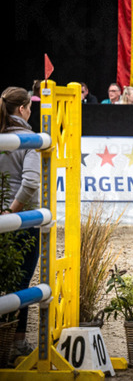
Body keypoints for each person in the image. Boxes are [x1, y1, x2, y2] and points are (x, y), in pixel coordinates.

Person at [0, 87, 41, 360]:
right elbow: (30, 183)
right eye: (30, 108)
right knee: (22, 281)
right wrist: (11, 212)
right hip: (21, 220)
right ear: (22, 109)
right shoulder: (29, 139)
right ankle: (18, 341)